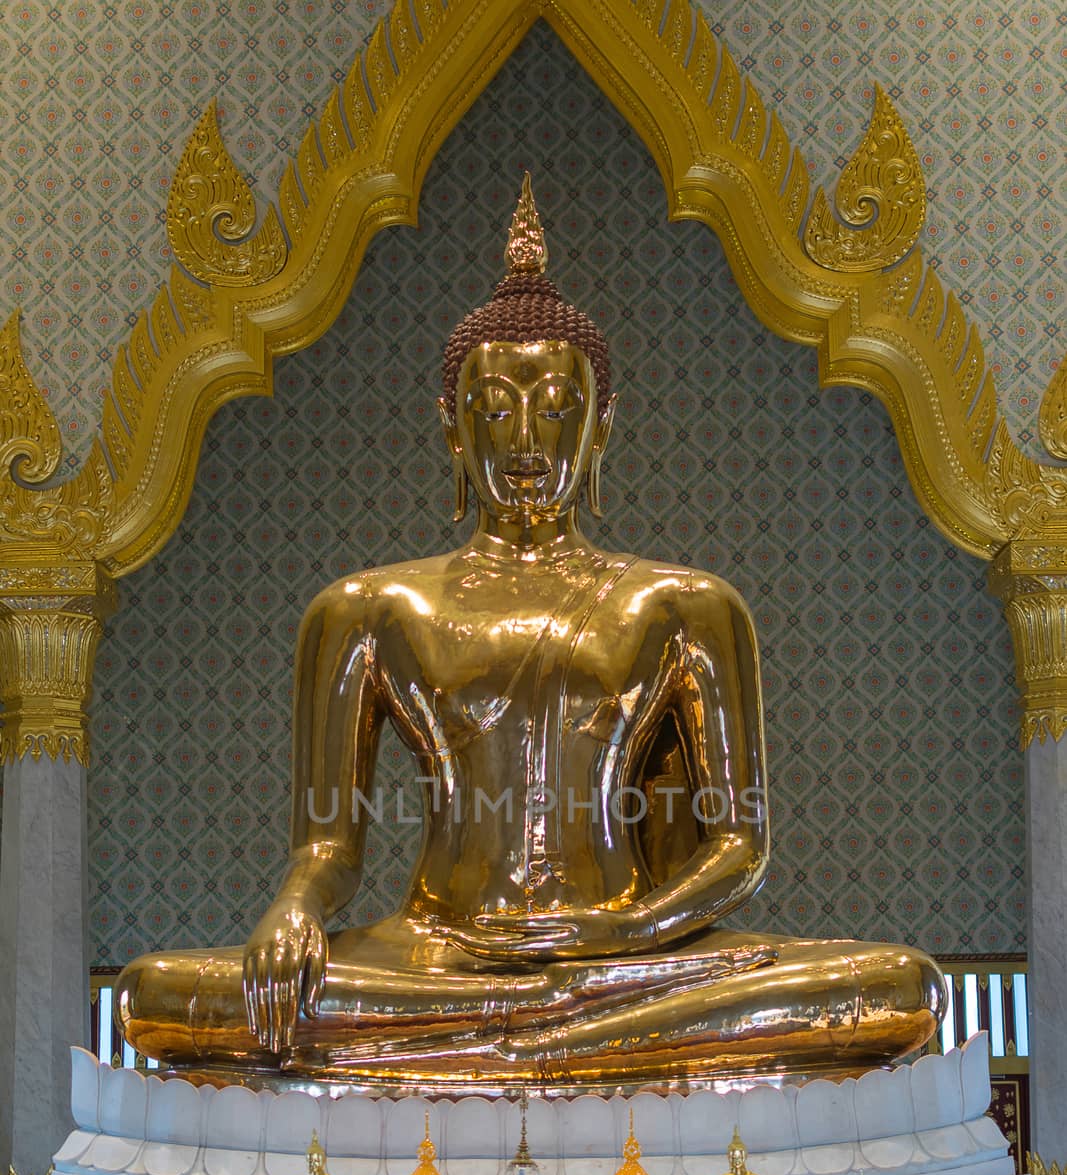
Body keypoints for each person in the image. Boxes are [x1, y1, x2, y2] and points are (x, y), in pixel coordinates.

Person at [116, 176, 944, 1088]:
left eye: (554, 407)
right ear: (450, 427)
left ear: (600, 429)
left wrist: (618, 932)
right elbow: (327, 847)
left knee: (896, 989)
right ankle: (547, 1049)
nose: (525, 438)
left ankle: (507, 1050)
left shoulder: (685, 605)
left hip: (627, 960)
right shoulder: (367, 609)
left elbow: (737, 848)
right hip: (434, 956)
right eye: (495, 408)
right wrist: (291, 913)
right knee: (156, 996)